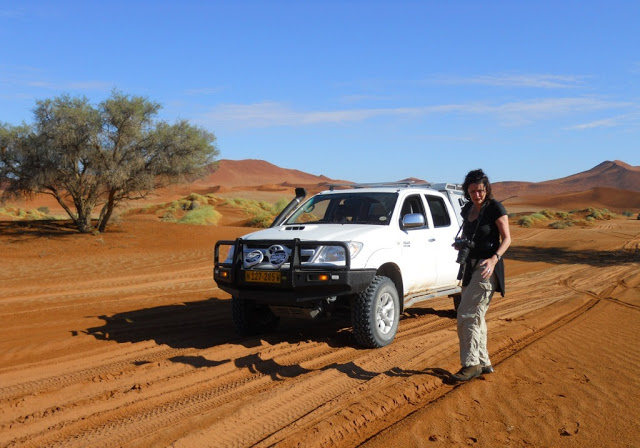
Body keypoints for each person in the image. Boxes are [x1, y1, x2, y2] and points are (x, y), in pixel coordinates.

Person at [451, 169, 511, 382]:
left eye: (481, 190)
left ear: (486, 189)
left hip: (486, 268)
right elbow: (470, 235)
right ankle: (483, 362)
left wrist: (494, 259)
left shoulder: (495, 208)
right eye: (473, 191)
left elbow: (507, 239)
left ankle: (470, 364)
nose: (477, 194)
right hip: (469, 267)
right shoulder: (467, 209)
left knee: (466, 314)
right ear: (468, 191)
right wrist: (461, 245)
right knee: (477, 316)